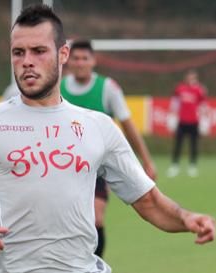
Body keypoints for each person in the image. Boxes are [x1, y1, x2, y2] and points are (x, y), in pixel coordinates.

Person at [0, 5, 216, 273]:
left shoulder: (98, 126)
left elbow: (149, 201)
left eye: (38, 51)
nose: (27, 62)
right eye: (18, 52)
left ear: (62, 54)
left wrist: (186, 218)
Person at [62, 39, 157, 257]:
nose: (80, 63)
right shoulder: (58, 87)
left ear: (93, 61)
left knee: (96, 217)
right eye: (75, 58)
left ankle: (95, 265)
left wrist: (146, 160)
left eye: (85, 58)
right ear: (69, 61)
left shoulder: (107, 88)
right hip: (63, 166)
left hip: (97, 167)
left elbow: (128, 125)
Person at [166, 70, 208, 178]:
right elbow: (174, 103)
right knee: (178, 144)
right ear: (186, 78)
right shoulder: (180, 89)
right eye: (189, 77)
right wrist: (172, 118)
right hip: (182, 121)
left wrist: (205, 121)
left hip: (194, 121)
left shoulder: (199, 90)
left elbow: (203, 105)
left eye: (193, 77)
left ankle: (192, 166)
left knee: (194, 144)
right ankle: (175, 165)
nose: (191, 79)